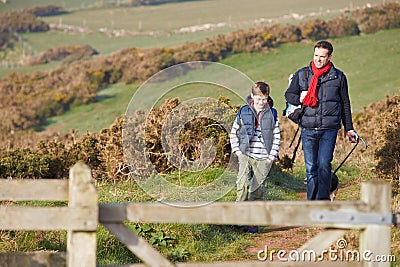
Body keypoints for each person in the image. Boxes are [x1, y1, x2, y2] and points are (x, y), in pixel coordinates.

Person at [284, 40, 357, 201]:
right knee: (311, 168)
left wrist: (349, 128)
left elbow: (345, 103)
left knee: (324, 165)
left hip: (329, 130)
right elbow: (289, 95)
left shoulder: (338, 77)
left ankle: (322, 202)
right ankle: (312, 203)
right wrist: (300, 98)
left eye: (322, 57)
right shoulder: (302, 74)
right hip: (308, 128)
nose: (318, 59)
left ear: (329, 57)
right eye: (316, 55)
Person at [230, 81, 280, 210]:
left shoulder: (272, 114)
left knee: (258, 189)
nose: (261, 102)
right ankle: (238, 216)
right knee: (243, 184)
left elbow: (276, 136)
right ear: (252, 96)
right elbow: (234, 132)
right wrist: (237, 150)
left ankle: (253, 220)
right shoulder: (243, 111)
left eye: (264, 99)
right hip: (245, 154)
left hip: (264, 157)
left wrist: (271, 156)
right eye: (258, 99)